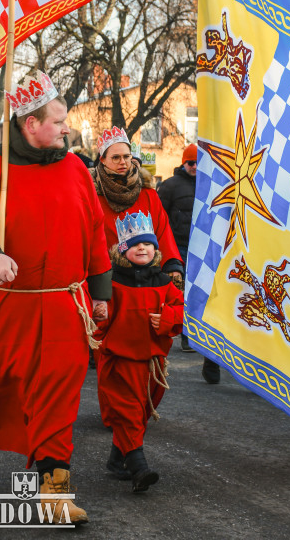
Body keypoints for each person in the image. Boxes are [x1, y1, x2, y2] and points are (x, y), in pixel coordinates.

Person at [0, 70, 112, 525]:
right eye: (57, 121)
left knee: (58, 393)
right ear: (29, 124)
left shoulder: (77, 167)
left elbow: (95, 230)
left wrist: (100, 293)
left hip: (62, 305)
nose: (66, 128)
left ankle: (54, 489)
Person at [94, 210, 183, 492]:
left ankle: (116, 460)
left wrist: (167, 319)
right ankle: (138, 467)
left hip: (153, 363)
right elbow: (99, 319)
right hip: (119, 359)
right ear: (123, 251)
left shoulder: (165, 283)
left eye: (147, 244)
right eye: (134, 245)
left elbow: (183, 311)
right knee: (128, 413)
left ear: (155, 248)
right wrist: (98, 316)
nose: (142, 248)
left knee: (142, 412)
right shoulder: (113, 282)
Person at [158, 144, 221, 383]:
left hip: (203, 245)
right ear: (183, 163)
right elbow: (160, 215)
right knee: (184, 291)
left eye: (197, 163)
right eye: (190, 163)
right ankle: (185, 334)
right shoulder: (171, 186)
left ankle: (193, 334)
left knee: (203, 293)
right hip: (180, 245)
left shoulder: (209, 185)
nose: (194, 167)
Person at [90, 126, 183, 282]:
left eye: (127, 156)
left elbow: (163, 231)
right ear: (102, 160)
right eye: (115, 157)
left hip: (148, 278)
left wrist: (172, 265)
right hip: (107, 278)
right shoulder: (92, 195)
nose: (123, 162)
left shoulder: (147, 194)